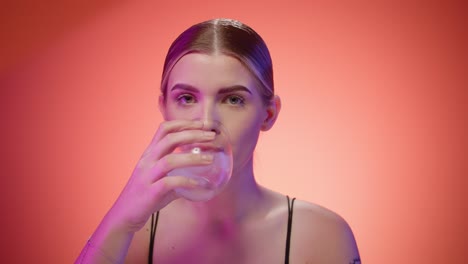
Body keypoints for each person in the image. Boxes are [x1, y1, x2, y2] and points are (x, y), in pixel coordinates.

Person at [76, 18, 361, 264]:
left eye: (233, 99)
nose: (206, 122)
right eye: (186, 98)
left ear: (269, 114)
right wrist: (121, 220)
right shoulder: (132, 232)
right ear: (164, 108)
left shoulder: (320, 234)